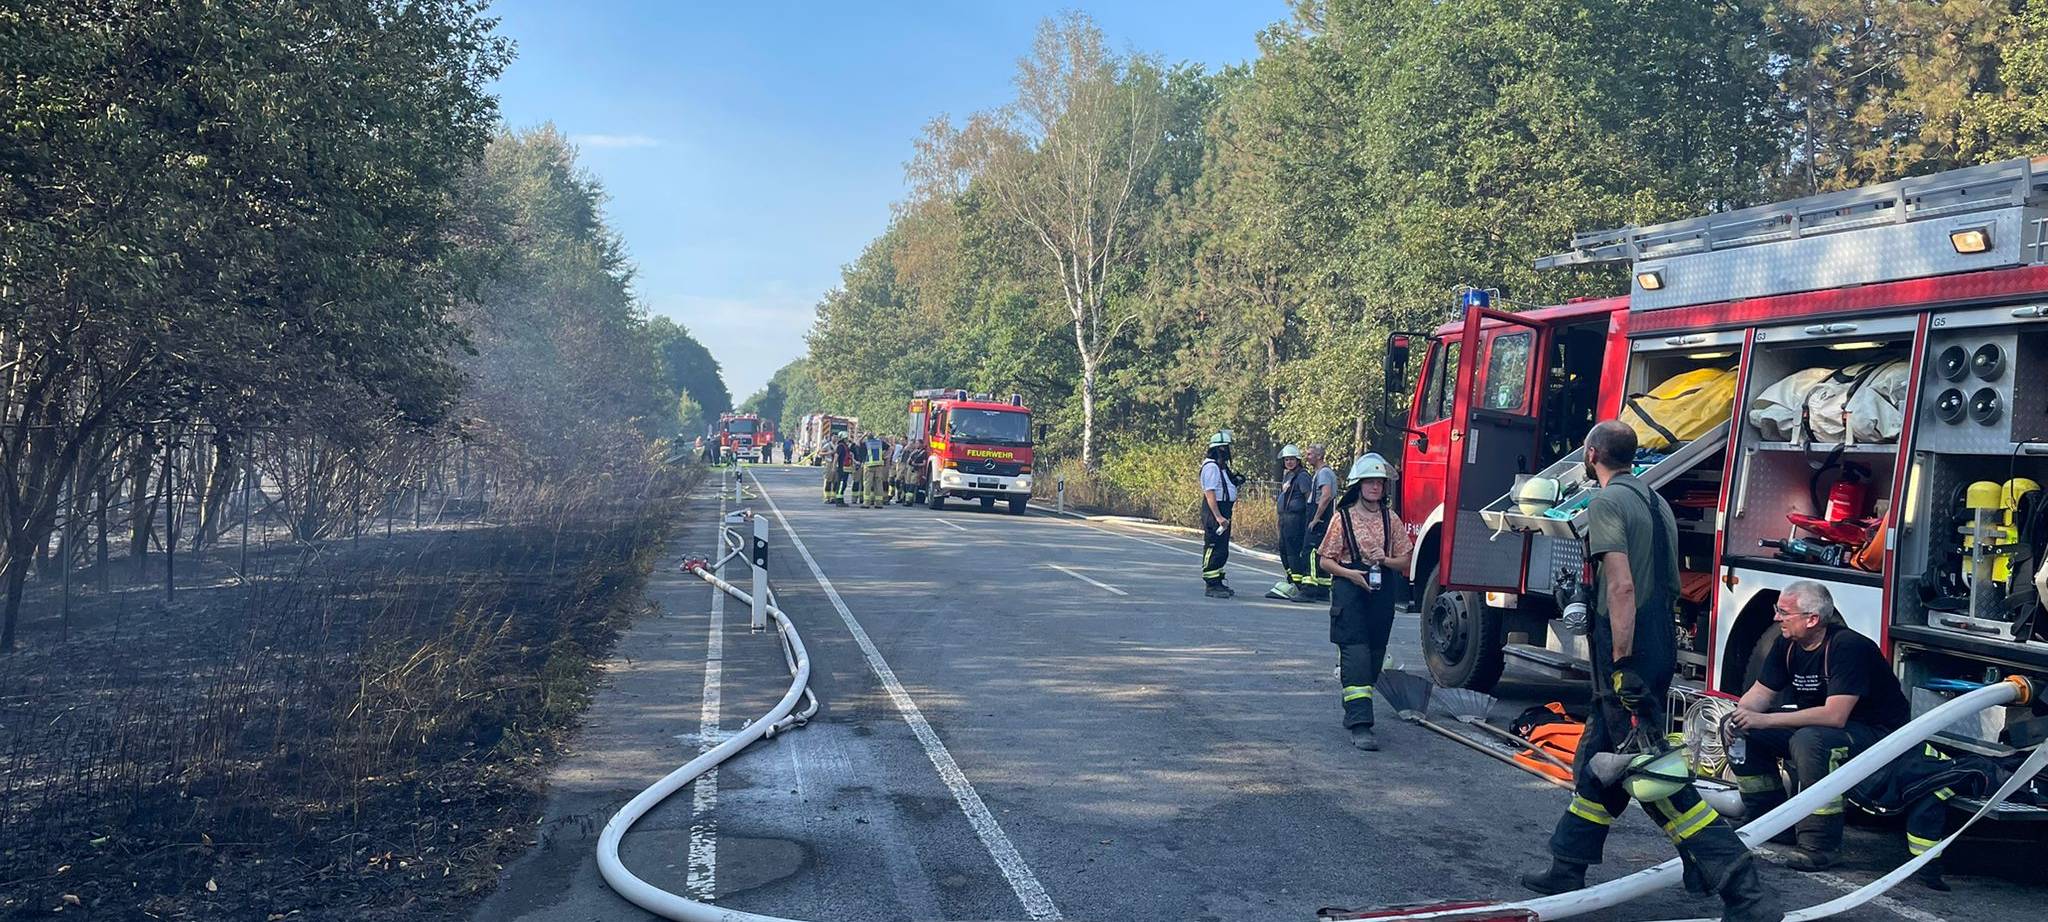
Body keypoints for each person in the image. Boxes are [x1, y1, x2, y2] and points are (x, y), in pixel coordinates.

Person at [1520, 421, 1779, 922]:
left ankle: (1742, 887)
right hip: (1657, 641)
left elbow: (1621, 587)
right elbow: (1669, 584)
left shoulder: (1606, 503)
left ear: (1591, 455)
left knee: (1653, 775)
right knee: (1597, 762)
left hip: (1629, 656)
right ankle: (1567, 866)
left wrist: (1621, 664)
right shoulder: (1657, 502)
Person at [1727, 580, 1912, 873]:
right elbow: (1761, 694)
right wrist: (1739, 717)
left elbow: (1834, 716)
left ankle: (1820, 846)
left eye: (1784, 612)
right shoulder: (1786, 644)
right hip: (1826, 728)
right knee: (1742, 727)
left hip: (1877, 734)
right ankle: (1767, 821)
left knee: (1810, 742)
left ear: (1812, 619)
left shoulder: (1848, 647)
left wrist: (1765, 720)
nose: (1775, 617)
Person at [1315, 453, 1410, 750]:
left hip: (1381, 595)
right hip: (1350, 591)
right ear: (1358, 485)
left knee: (1373, 658)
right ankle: (1361, 725)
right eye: (1369, 482)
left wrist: (1387, 560)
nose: (1375, 487)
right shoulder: (1342, 518)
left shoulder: (1391, 519)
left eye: (1379, 482)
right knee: (1355, 656)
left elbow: (1406, 560)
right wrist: (1350, 575)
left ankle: (1354, 707)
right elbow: (1325, 561)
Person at [1267, 445, 1314, 601]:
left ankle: (1298, 584)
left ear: (1298, 460)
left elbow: (1308, 498)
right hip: (1285, 520)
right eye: (1286, 460)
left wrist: (1309, 519)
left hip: (1296, 520)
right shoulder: (1288, 476)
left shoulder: (1303, 476)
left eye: (1292, 459)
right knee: (1284, 551)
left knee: (1293, 553)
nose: (1289, 462)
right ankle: (1292, 580)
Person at [1199, 430, 1242, 598]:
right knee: (1213, 545)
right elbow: (1210, 492)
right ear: (1217, 449)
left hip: (1224, 509)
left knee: (1222, 548)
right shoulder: (1211, 466)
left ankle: (1218, 580)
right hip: (1215, 511)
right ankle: (1211, 584)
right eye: (1224, 448)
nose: (1226, 452)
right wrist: (1218, 517)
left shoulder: (1221, 467)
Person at [1300, 444, 1337, 602]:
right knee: (1321, 551)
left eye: (1310, 454)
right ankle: (1322, 590)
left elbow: (1326, 495)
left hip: (1320, 518)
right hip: (1321, 517)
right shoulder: (1321, 473)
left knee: (1310, 551)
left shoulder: (1324, 473)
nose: (1307, 457)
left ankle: (1309, 589)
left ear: (1319, 456)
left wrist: (1316, 518)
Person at [863, 433, 888, 508]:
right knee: (879, 484)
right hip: (879, 466)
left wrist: (863, 435)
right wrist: (885, 456)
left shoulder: (866, 443)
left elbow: (857, 443)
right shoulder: (880, 443)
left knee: (868, 484)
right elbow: (890, 447)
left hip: (869, 466)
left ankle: (866, 503)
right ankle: (879, 503)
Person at [822, 435, 845, 504]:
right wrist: (829, 453)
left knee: (835, 481)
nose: (835, 438)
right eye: (834, 437)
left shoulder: (838, 446)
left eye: (836, 437)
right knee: (828, 481)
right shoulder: (827, 445)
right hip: (829, 463)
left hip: (837, 464)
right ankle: (827, 498)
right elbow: (820, 453)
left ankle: (833, 497)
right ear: (831, 438)